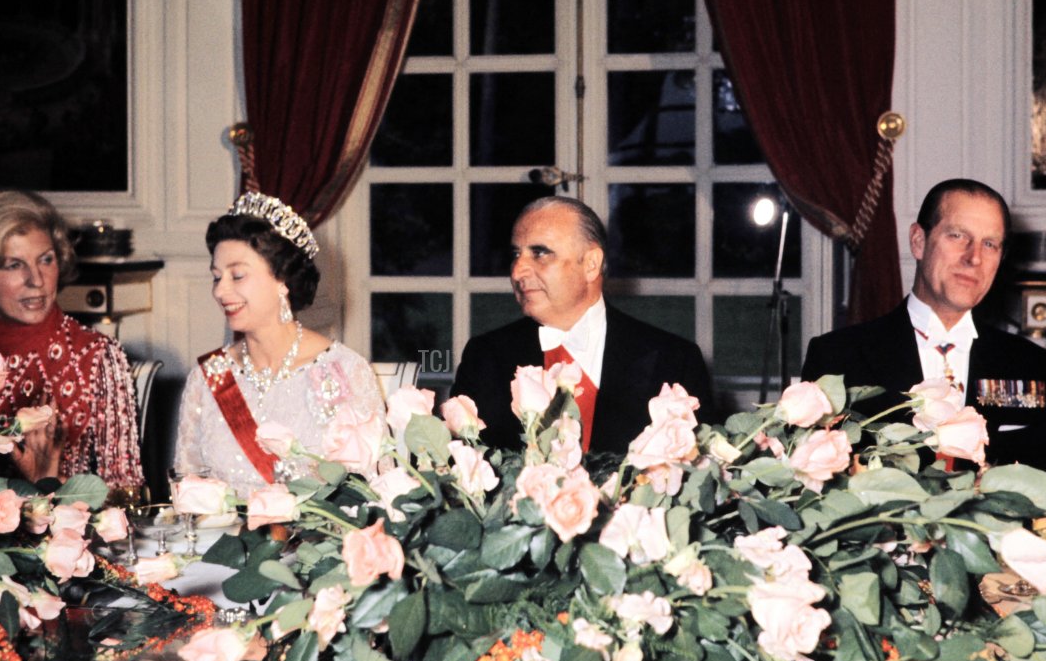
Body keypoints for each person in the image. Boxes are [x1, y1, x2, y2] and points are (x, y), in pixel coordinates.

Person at [801, 178, 1046, 481]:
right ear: (918, 241)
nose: (973, 258)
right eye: (958, 236)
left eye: (989, 244)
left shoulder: (1035, 367)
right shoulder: (839, 359)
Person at [451, 196, 717, 454]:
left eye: (540, 253)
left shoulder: (675, 361)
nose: (517, 271)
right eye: (516, 254)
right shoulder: (485, 356)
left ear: (591, 264)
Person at [0, 189, 143, 489]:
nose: (36, 280)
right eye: (14, 264)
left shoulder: (97, 356)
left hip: (61, 535)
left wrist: (47, 481)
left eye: (46, 260)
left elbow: (127, 496)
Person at [174, 192, 385, 496]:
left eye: (237, 275)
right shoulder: (209, 378)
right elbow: (186, 486)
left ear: (282, 279)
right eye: (216, 277)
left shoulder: (342, 370)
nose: (221, 291)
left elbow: (371, 492)